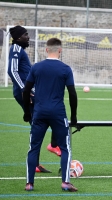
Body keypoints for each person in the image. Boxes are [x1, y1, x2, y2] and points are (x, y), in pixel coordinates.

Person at [22, 37, 78, 191]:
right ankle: (65, 182)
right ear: (60, 51)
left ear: (46, 50)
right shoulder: (65, 69)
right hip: (58, 113)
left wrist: (27, 112)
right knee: (65, 148)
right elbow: (72, 94)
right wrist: (74, 116)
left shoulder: (36, 67)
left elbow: (26, 91)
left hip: (39, 113)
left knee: (34, 148)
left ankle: (29, 183)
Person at [7, 25, 61, 173]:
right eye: (25, 34)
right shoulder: (16, 49)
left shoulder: (20, 50)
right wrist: (27, 90)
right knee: (54, 111)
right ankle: (54, 144)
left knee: (36, 125)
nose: (28, 37)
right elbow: (12, 70)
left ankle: (36, 163)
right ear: (18, 38)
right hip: (27, 93)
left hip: (28, 92)